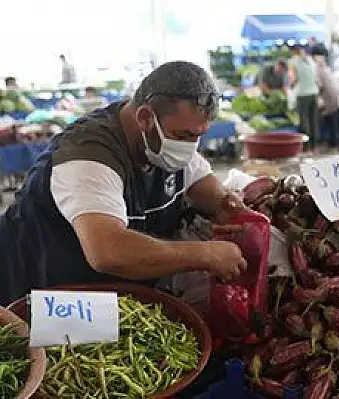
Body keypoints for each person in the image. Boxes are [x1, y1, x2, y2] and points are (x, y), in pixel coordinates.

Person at [0, 61, 248, 306]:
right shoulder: (88, 157)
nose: (190, 146)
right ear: (145, 117)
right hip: (41, 296)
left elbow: (208, 189)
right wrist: (205, 254)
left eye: (198, 136)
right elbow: (108, 252)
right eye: (184, 136)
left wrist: (227, 205)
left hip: (103, 299)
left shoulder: (163, 141)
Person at [313, 53, 339, 151]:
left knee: (334, 121)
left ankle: (334, 144)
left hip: (333, 98)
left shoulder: (317, 69)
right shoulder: (325, 67)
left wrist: (317, 98)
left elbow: (320, 86)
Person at [289, 45, 320, 151]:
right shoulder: (310, 60)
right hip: (314, 93)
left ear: (293, 52)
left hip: (302, 94)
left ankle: (306, 147)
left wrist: (290, 87)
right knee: (313, 121)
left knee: (304, 121)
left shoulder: (293, 61)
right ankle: (314, 146)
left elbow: (293, 79)